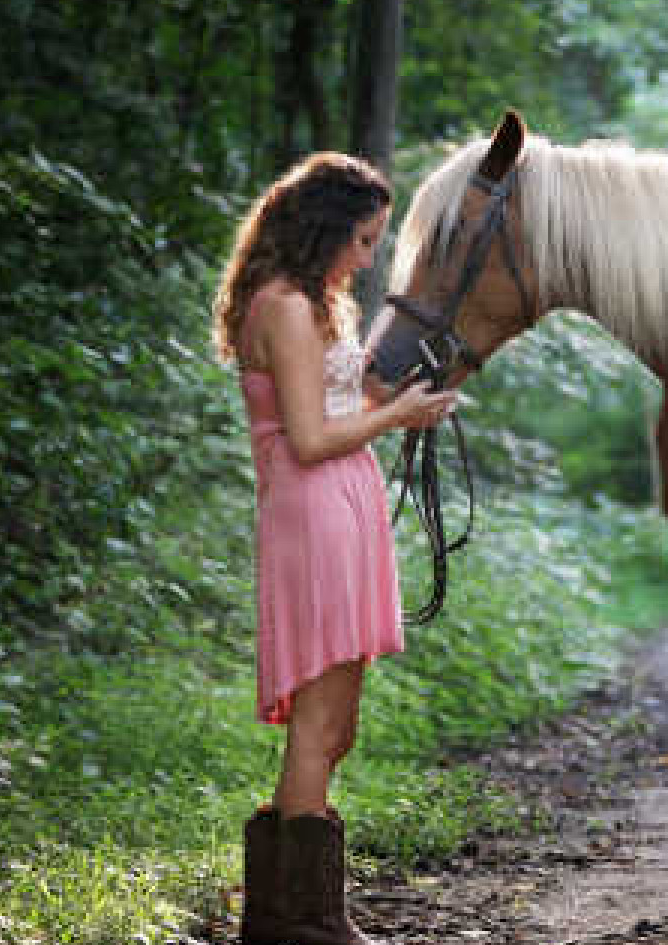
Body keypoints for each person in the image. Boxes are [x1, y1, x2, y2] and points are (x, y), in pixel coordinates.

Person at [211, 152, 457, 945]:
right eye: (360, 239)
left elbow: (343, 398)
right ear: (320, 230)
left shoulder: (320, 304)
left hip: (344, 507)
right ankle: (303, 921)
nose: (366, 256)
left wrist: (405, 398)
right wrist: (395, 421)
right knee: (317, 723)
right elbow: (311, 438)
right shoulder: (281, 306)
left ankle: (290, 912)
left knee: (337, 724)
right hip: (313, 508)